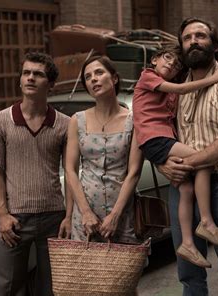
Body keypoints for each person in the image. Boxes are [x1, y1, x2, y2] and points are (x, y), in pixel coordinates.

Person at [157, 17, 218, 295]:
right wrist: (163, 164)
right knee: (189, 275)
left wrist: (187, 162)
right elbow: (152, 131)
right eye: (187, 38)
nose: (193, 42)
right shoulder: (174, 90)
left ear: (215, 45)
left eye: (200, 36)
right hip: (182, 187)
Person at [133, 44, 218, 268]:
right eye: (167, 58)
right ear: (154, 60)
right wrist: (216, 77)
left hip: (163, 139)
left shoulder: (169, 89)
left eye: (177, 64)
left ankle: (187, 243)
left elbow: (181, 92)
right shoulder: (147, 77)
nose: (171, 64)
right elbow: (183, 90)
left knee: (186, 188)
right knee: (204, 159)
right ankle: (207, 221)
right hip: (155, 138)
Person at [0, 52, 72, 295]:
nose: (30, 78)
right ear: (20, 80)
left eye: (38, 74)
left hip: (54, 217)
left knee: (53, 289)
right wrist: (2, 214)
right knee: (6, 287)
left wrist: (69, 216)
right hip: (15, 220)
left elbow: (71, 171)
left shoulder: (65, 124)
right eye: (26, 73)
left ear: (51, 84)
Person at [65, 55, 144, 244]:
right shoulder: (77, 120)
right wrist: (85, 212)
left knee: (123, 272)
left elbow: (134, 172)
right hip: (85, 217)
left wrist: (115, 216)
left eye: (99, 73)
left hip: (122, 213)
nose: (93, 79)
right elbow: (70, 169)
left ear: (114, 78)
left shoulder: (133, 120)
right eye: (88, 76)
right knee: (85, 271)